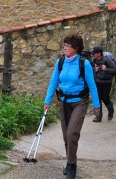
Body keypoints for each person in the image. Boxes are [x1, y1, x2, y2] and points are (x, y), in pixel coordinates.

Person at [44, 34, 101, 179]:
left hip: (79, 102)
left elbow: (92, 85)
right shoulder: (60, 62)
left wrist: (97, 105)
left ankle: (71, 165)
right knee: (66, 136)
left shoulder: (84, 64)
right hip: (64, 102)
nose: (65, 48)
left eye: (68, 46)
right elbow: (53, 81)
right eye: (64, 45)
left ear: (75, 48)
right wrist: (47, 101)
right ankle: (71, 162)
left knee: (71, 134)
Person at [91, 45, 116, 122]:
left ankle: (111, 110)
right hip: (98, 81)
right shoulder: (94, 60)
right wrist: (94, 69)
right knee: (98, 98)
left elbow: (115, 69)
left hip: (106, 82)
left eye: (94, 53)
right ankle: (99, 116)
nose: (92, 54)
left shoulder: (107, 59)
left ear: (99, 54)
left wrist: (106, 69)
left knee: (105, 98)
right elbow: (93, 69)